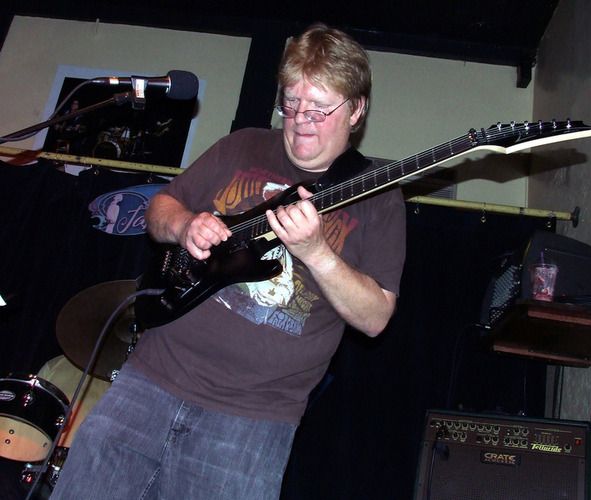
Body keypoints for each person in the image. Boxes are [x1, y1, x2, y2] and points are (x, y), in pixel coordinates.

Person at [50, 23, 406, 500]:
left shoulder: (379, 196)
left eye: (319, 109)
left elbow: (376, 317)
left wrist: (316, 252)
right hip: (149, 380)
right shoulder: (242, 146)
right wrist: (184, 225)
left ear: (356, 110)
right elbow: (160, 208)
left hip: (253, 421)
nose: (300, 120)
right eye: (291, 103)